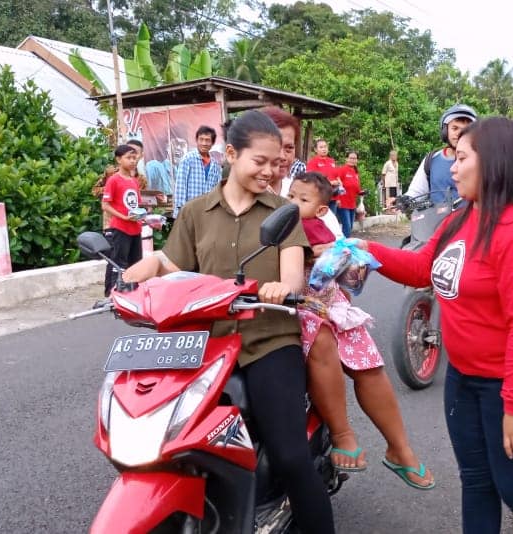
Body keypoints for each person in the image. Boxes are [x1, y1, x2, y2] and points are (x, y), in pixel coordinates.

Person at [120, 110, 335, 533]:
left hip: (267, 341)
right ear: (232, 154)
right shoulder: (196, 212)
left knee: (290, 454)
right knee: (165, 440)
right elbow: (170, 261)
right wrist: (136, 273)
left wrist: (279, 287)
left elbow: (292, 275)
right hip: (204, 345)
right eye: (260, 161)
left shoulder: (284, 213)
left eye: (276, 164)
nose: (270, 172)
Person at [357, 117, 513, 533]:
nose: (452, 168)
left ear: (492, 163)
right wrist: (367, 250)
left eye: (462, 158)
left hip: (511, 381)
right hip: (465, 378)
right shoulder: (462, 217)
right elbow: (422, 268)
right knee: (476, 482)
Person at [287, 170, 434, 490]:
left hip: (328, 300)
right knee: (321, 338)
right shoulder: (272, 210)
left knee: (367, 359)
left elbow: (341, 253)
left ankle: (400, 448)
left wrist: (337, 256)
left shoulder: (316, 219)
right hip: (291, 305)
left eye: (285, 148)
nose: (295, 202)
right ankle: (343, 433)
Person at [257, 106, 343, 240]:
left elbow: (339, 246)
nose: (283, 156)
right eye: (274, 147)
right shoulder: (239, 199)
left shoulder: (306, 192)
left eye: (289, 148)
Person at [401, 104, 477, 205]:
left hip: (471, 219)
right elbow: (417, 191)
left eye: (465, 130)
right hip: (438, 219)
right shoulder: (432, 160)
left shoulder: (480, 160)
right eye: (455, 128)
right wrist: (404, 200)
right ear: (445, 131)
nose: (459, 134)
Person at [101, 145, 145, 297]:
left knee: (136, 263)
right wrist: (123, 217)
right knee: (118, 263)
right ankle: (112, 294)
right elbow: (105, 205)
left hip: (135, 228)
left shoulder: (134, 181)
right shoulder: (113, 180)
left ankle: (133, 294)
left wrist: (145, 218)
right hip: (120, 229)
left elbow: (137, 205)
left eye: (134, 158)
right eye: (128, 158)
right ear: (119, 160)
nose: (133, 161)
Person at [173, 125, 222, 216]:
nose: (204, 143)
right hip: (190, 211)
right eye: (201, 139)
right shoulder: (188, 159)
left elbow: (217, 189)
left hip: (208, 212)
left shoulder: (215, 165)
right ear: (197, 140)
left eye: (207, 140)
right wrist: (180, 213)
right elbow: (180, 186)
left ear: (212, 143)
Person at [333, 151, 363, 238]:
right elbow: (337, 185)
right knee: (347, 227)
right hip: (343, 203)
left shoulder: (355, 172)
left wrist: (361, 192)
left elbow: (357, 188)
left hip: (352, 204)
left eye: (355, 158)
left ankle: (344, 245)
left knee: (350, 227)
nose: (353, 160)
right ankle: (344, 247)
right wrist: (337, 199)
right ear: (346, 159)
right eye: (351, 158)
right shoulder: (342, 170)